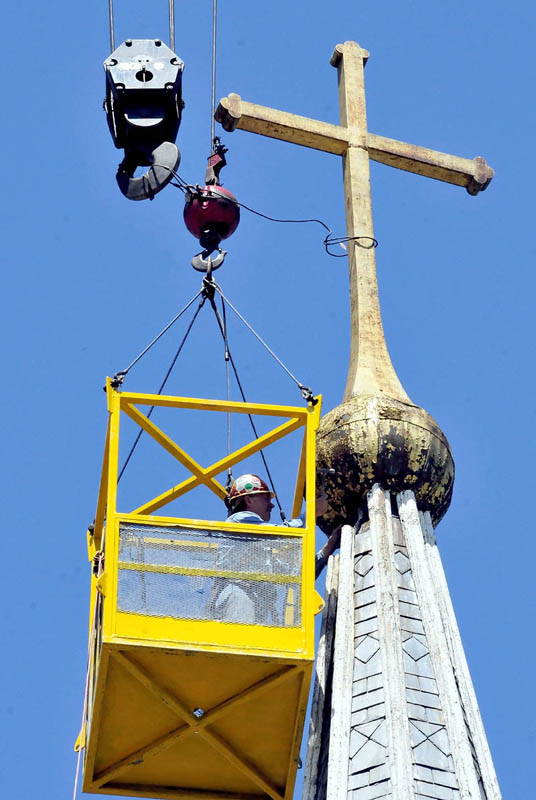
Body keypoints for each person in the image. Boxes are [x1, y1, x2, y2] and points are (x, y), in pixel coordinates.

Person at [212, 474, 341, 624]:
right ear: (248, 500)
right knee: (241, 639)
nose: (271, 505)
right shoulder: (239, 521)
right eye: (266, 499)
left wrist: (327, 549)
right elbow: (284, 533)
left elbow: (298, 574)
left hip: (252, 604)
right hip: (238, 596)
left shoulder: (260, 552)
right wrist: (312, 512)